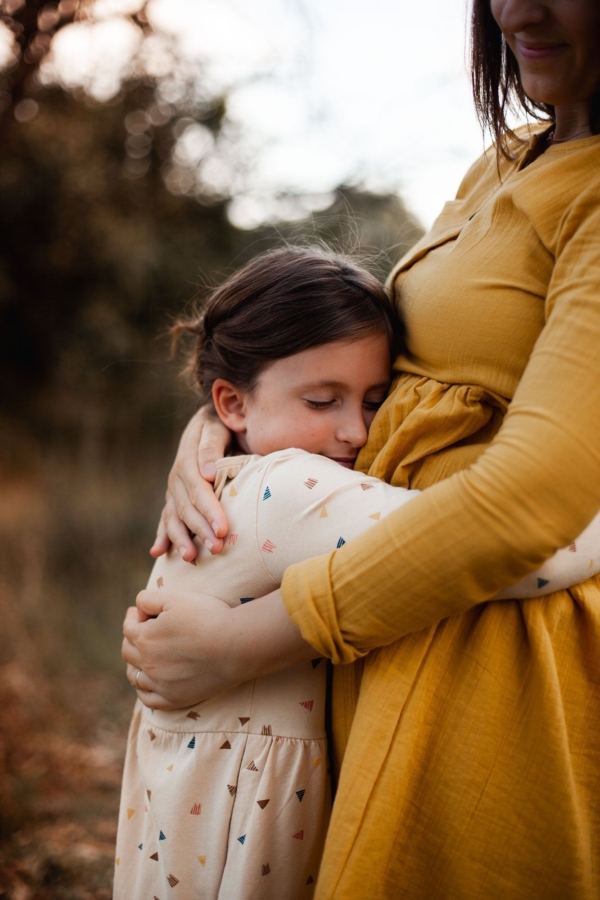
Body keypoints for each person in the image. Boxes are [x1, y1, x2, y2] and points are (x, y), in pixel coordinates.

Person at [122, 0, 600, 897]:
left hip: (490, 648)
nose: (518, 10)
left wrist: (245, 642)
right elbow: (369, 347)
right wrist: (223, 430)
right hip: (390, 611)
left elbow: (537, 507)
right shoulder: (505, 158)